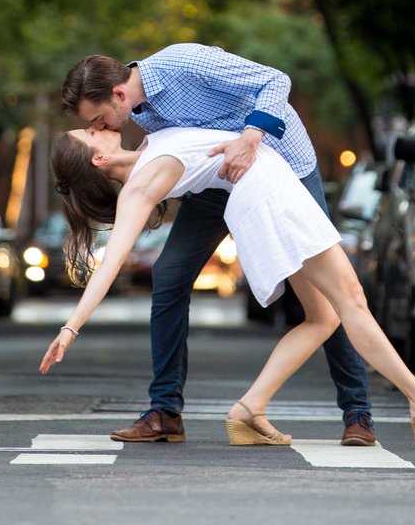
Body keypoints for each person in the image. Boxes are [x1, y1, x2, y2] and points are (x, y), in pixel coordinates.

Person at [39, 123, 415, 451]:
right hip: (270, 198)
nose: (99, 125)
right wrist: (71, 327)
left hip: (271, 190)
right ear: (97, 160)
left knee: (324, 316)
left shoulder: (151, 141)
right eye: (90, 133)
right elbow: (112, 261)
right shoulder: (140, 186)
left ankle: (250, 408)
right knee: (352, 302)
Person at [61, 44, 377, 446]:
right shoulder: (139, 112)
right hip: (218, 185)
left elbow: (275, 81)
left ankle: (357, 413)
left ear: (117, 95)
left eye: (99, 119)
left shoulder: (183, 62)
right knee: (169, 275)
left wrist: (249, 137)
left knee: (326, 294)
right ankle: (165, 411)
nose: (104, 129)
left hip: (282, 173)